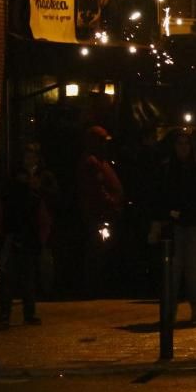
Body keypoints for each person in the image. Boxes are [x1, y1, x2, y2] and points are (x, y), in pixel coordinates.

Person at [150, 131, 196, 324]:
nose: (183, 148)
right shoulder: (168, 169)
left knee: (190, 266)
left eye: (186, 144)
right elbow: (161, 195)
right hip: (176, 223)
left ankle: (194, 309)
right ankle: (172, 310)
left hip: (194, 222)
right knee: (176, 267)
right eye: (180, 144)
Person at [0, 144, 56, 326]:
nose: (29, 159)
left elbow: (53, 197)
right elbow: (5, 202)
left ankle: (29, 312)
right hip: (14, 231)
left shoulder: (44, 177)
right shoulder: (14, 177)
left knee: (28, 275)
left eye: (32, 156)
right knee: (9, 276)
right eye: (27, 156)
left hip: (30, 231)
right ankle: (5, 313)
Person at [77, 125, 124, 298]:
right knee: (98, 250)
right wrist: (111, 202)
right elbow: (95, 189)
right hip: (100, 214)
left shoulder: (99, 160)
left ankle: (98, 285)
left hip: (104, 213)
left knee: (101, 250)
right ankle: (94, 287)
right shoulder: (92, 162)